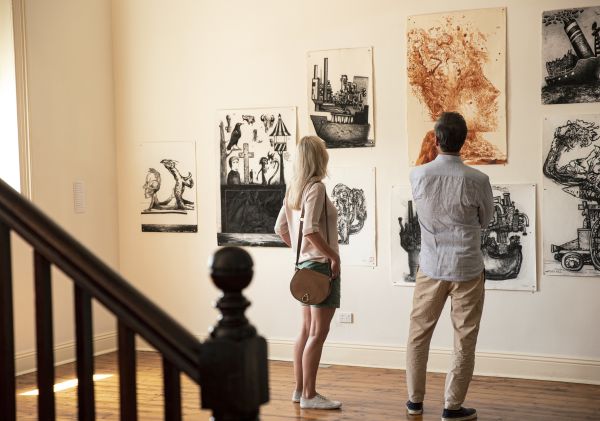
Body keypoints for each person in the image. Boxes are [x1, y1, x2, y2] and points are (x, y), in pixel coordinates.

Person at [405, 112, 494, 421]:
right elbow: (487, 220)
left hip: (430, 265)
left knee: (418, 335)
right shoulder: (478, 179)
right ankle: (451, 407)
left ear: (437, 138)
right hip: (467, 267)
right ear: (464, 140)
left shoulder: (417, 175)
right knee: (464, 339)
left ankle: (414, 402)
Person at [274, 135, 342, 410]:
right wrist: (331, 255)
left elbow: (280, 228)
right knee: (318, 332)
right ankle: (310, 396)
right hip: (318, 269)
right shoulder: (316, 188)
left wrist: (300, 253)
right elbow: (310, 229)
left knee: (305, 329)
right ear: (319, 157)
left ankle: (299, 390)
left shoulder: (295, 188)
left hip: (303, 267)